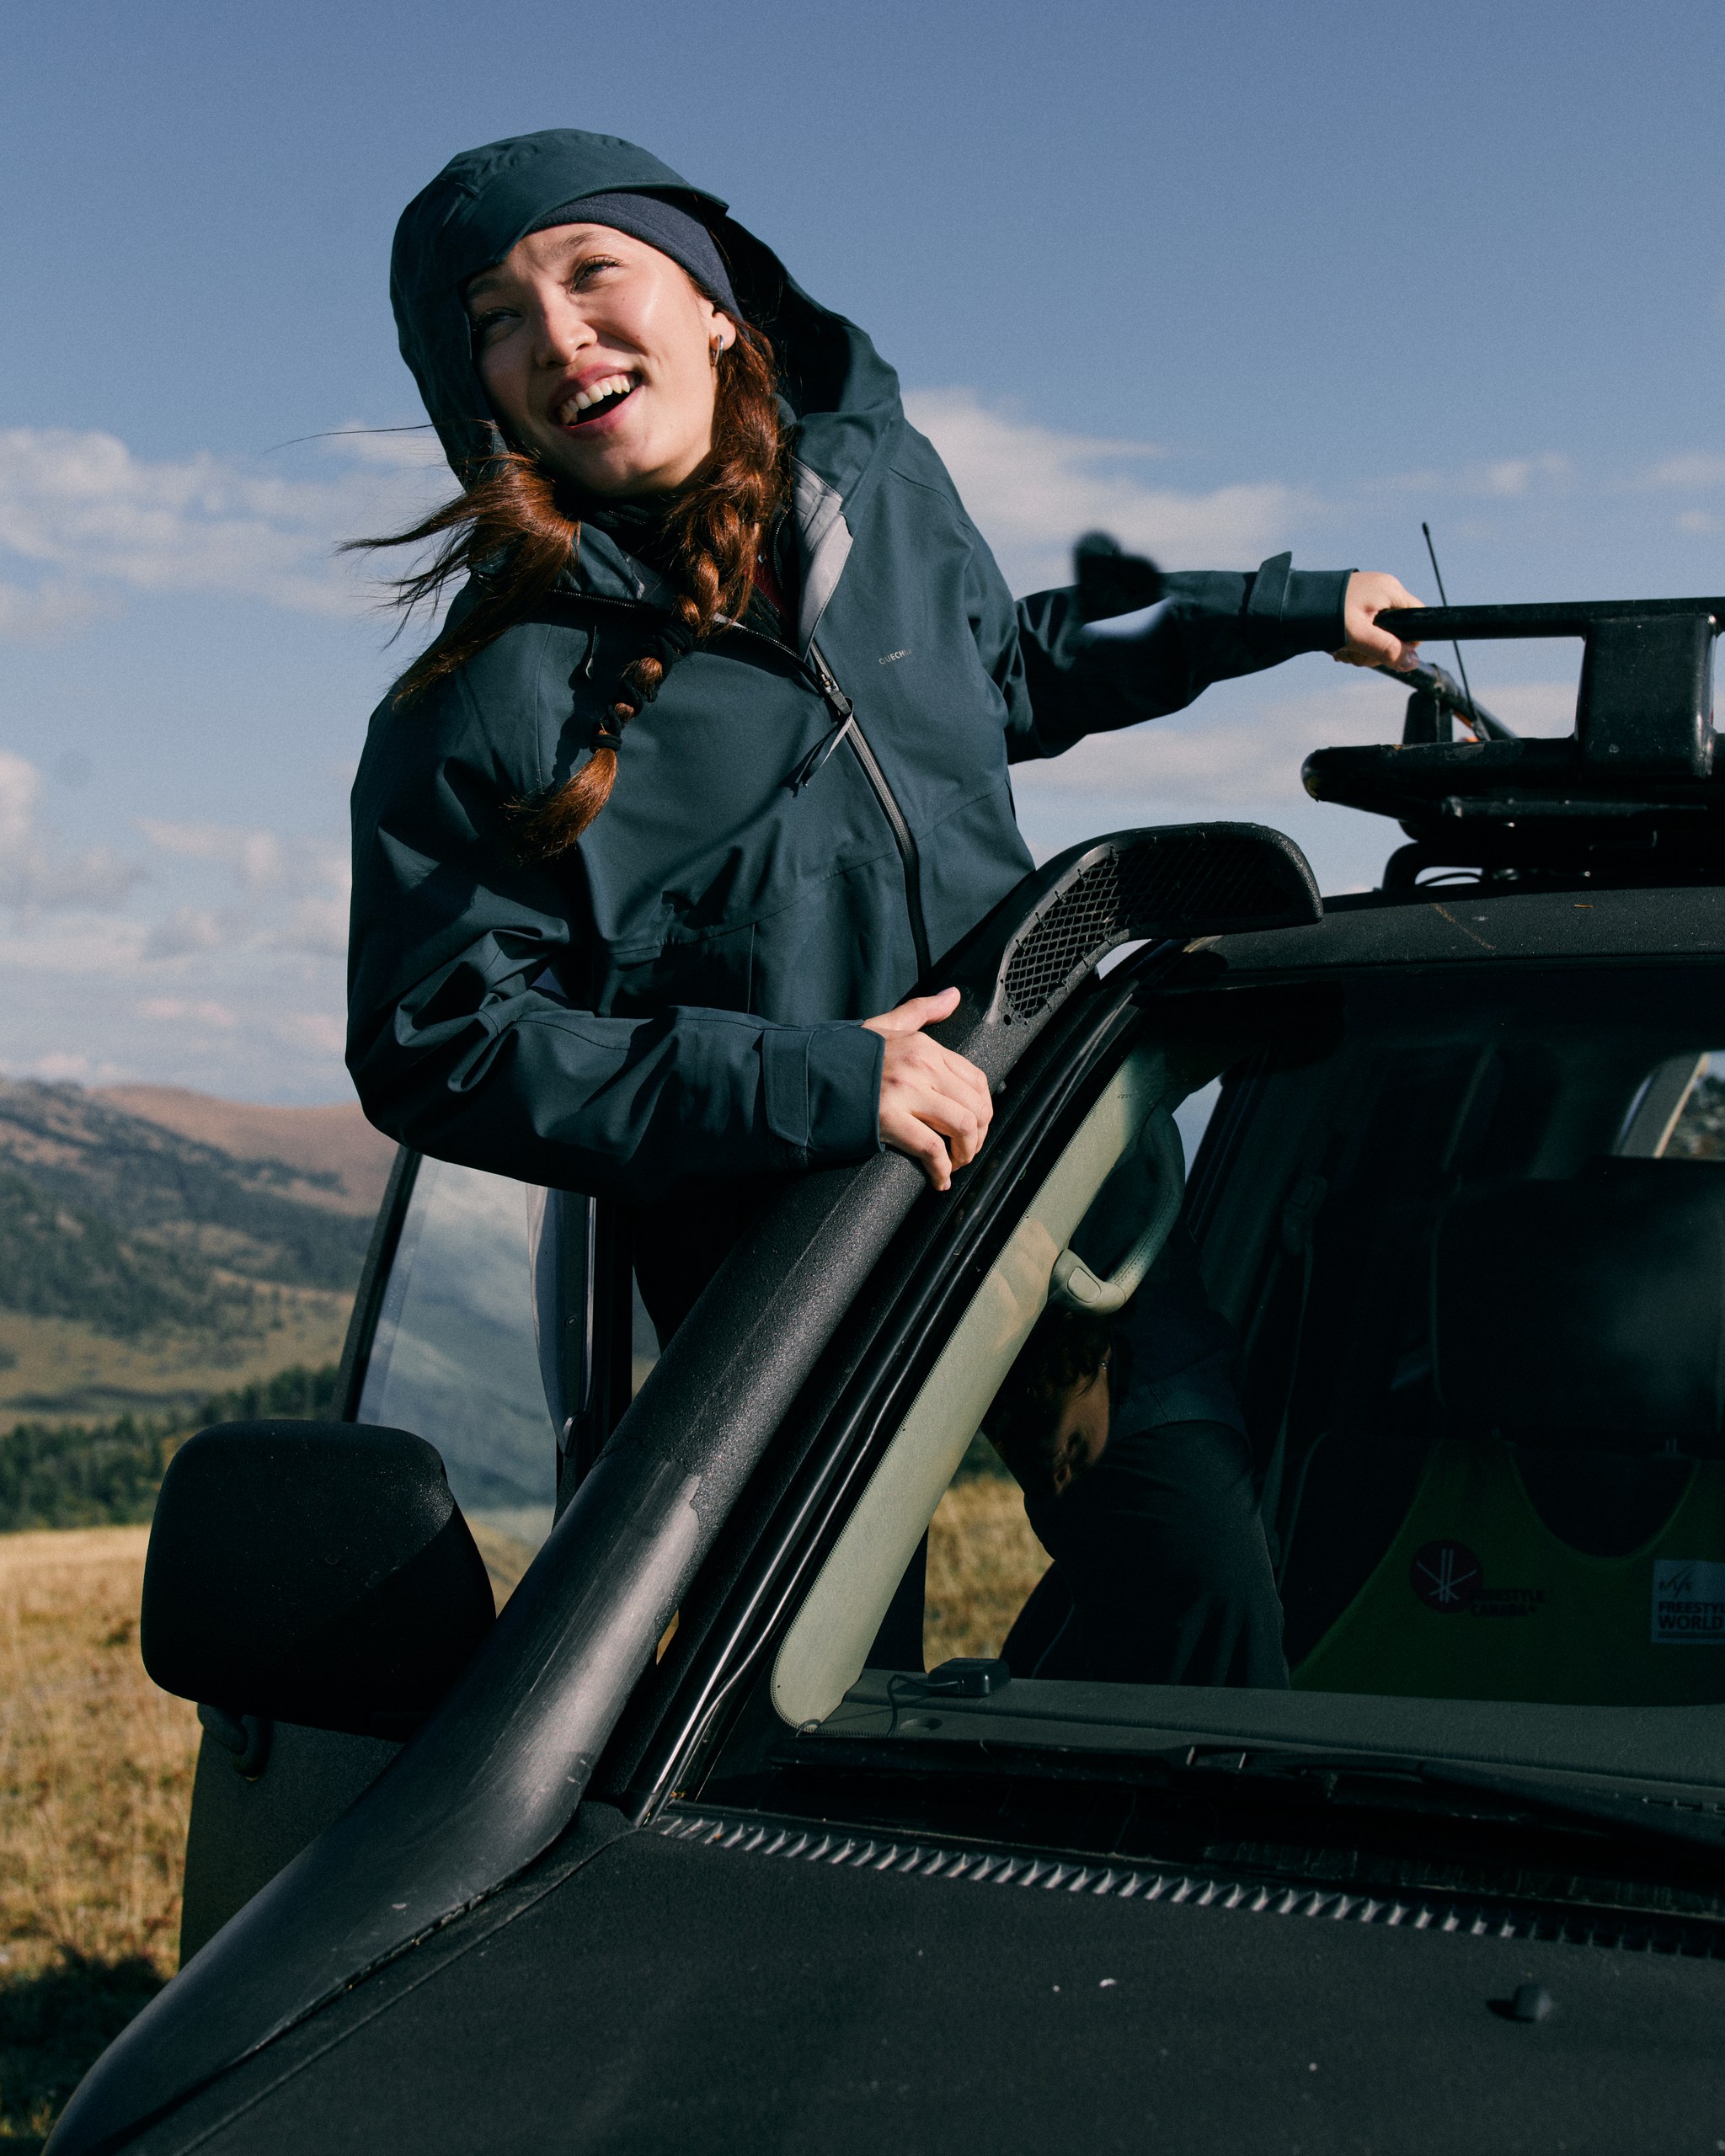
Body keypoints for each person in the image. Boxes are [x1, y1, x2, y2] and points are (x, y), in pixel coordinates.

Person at [349, 129, 1422, 1344]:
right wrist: (812, 1083)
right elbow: (437, 1043)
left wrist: (1280, 612)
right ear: (476, 390)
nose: (555, 334)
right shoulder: (486, 694)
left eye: (593, 269)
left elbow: (1003, 670)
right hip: (804, 1314)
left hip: (1063, 1193)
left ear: (713, 305)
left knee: (1193, 1478)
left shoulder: (878, 484)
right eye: (496, 319)